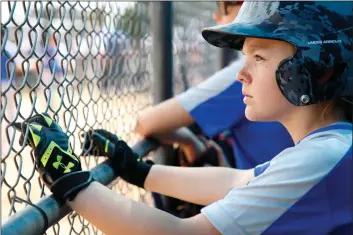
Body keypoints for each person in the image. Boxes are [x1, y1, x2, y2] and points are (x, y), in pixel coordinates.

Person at [17, 2, 352, 234]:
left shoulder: (322, 157)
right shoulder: (330, 148)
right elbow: (236, 183)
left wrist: (71, 182)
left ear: (320, 70)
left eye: (259, 57)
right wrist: (137, 170)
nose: (241, 75)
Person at [134, 1, 294, 170]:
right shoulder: (281, 62)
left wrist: (188, 140)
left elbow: (145, 122)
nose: (216, 15)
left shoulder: (249, 75)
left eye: (224, 6)